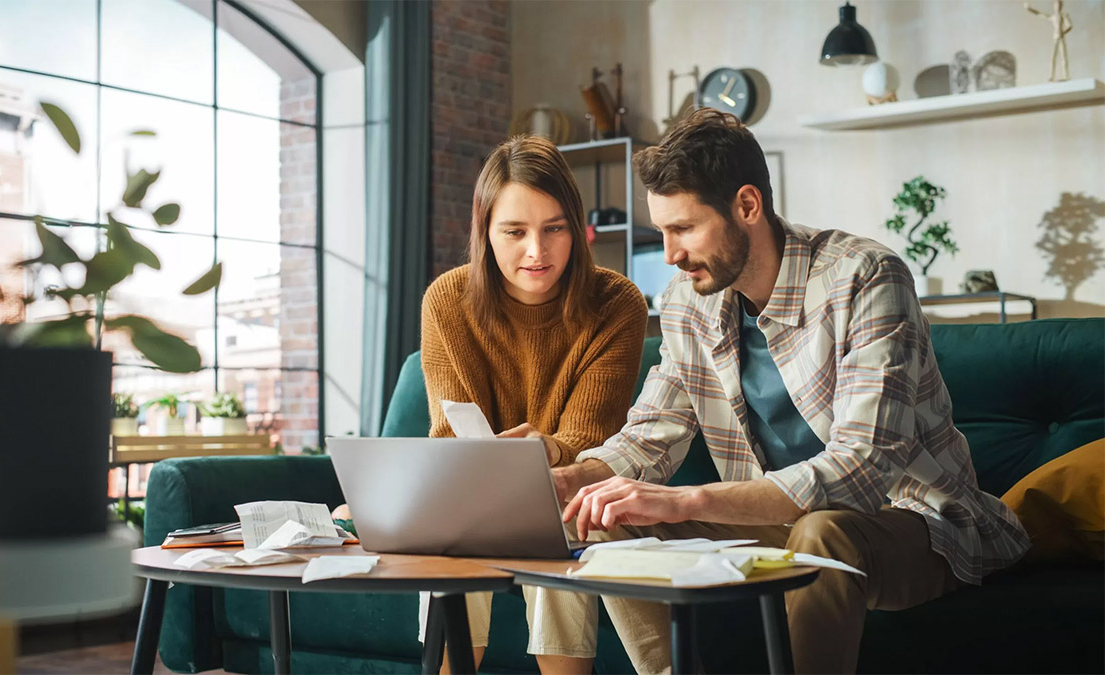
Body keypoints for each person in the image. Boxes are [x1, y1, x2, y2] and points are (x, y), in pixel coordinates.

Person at [552, 108, 1031, 674]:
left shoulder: (866, 277)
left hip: (911, 520)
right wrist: (563, 481)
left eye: (683, 229)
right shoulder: (687, 304)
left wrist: (688, 498)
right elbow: (648, 438)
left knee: (822, 531)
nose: (671, 255)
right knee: (601, 512)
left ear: (747, 206)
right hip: (775, 524)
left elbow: (861, 469)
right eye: (662, 232)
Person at [336, 135, 649, 674]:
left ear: (577, 228)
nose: (537, 250)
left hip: (568, 494)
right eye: (515, 231)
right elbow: (450, 438)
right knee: (454, 535)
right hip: (469, 498)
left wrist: (547, 449)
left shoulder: (616, 302)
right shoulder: (447, 300)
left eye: (555, 228)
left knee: (561, 523)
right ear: (485, 231)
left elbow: (591, 442)